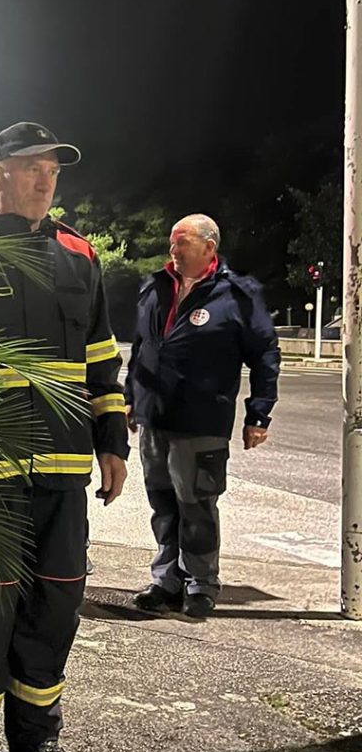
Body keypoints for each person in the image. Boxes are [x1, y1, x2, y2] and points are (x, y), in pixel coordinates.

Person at [0, 122, 129, 752]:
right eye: (31, 167)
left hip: (63, 471)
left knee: (55, 605)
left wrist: (112, 441)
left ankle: (36, 737)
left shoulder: (80, 255)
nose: (46, 180)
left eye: (53, 169)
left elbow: (101, 355)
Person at [125, 213, 279, 619]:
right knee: (162, 503)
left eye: (183, 243)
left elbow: (265, 355)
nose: (173, 251)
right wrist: (131, 398)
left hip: (201, 421)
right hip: (155, 418)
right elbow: (141, 349)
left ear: (209, 247)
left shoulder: (236, 296)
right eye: (172, 243)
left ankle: (201, 584)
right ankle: (166, 580)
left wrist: (258, 414)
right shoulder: (156, 288)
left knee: (197, 505)